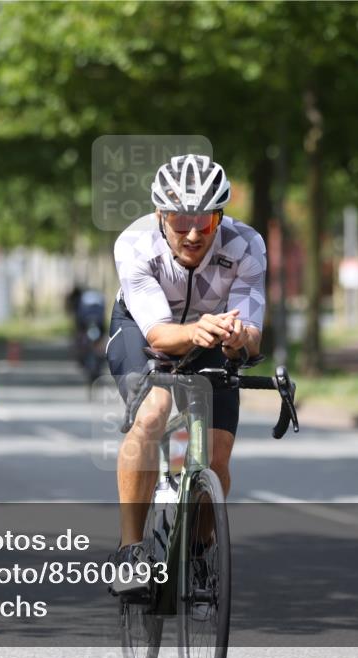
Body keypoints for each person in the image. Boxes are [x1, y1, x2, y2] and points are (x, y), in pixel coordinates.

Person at [106, 154, 266, 594]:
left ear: (220, 216)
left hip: (212, 335)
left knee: (215, 456)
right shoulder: (135, 244)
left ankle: (198, 550)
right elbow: (158, 335)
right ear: (161, 214)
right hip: (141, 331)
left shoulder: (247, 245)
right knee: (154, 412)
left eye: (206, 222)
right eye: (179, 221)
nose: (193, 234)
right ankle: (131, 550)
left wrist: (239, 339)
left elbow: (253, 334)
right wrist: (197, 331)